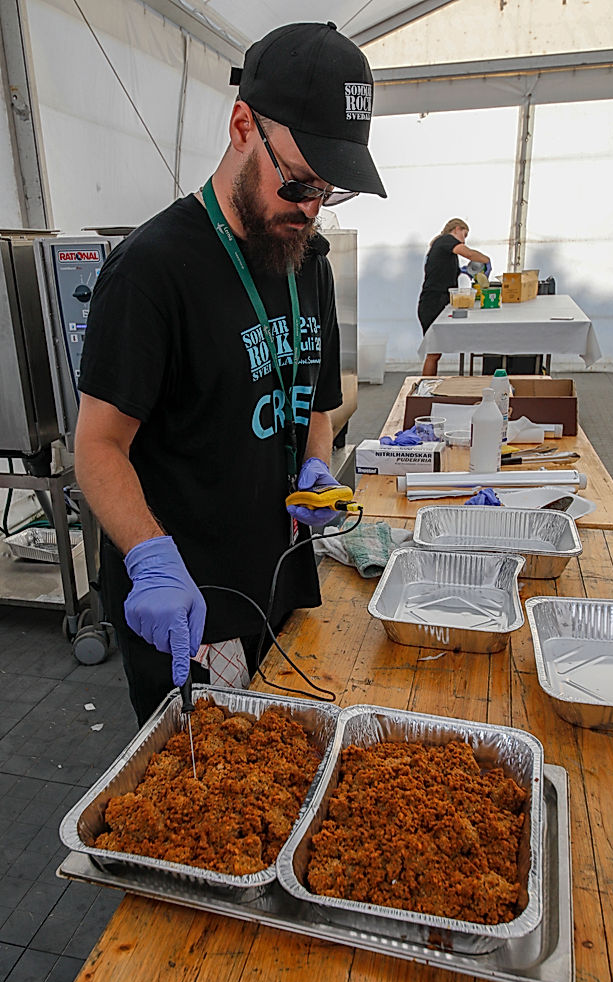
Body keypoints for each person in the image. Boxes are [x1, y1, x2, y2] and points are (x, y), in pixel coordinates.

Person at [74, 22, 386, 727]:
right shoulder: (152, 271)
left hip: (278, 577)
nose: (309, 207)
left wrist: (317, 467)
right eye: (300, 181)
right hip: (188, 599)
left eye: (328, 192)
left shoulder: (308, 259)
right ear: (243, 125)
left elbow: (315, 401)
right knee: (210, 796)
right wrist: (150, 557)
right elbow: (96, 445)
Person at [417, 218, 490, 376]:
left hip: (436, 301)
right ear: (457, 229)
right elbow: (469, 253)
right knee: (434, 352)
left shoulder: (444, 250)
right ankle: (424, 389)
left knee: (435, 353)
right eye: (464, 235)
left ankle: (427, 387)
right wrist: (486, 260)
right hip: (433, 303)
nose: (464, 240)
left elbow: (445, 273)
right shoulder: (445, 241)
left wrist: (464, 271)